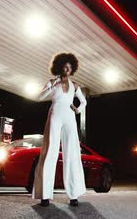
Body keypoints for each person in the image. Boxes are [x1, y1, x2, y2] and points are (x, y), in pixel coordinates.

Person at [32, 52, 87, 207]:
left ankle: (74, 195)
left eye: (70, 67)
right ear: (59, 67)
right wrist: (51, 85)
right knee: (50, 152)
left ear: (72, 69)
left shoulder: (75, 85)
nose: (67, 69)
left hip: (69, 117)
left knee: (72, 153)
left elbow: (83, 102)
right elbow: (40, 97)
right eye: (65, 66)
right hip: (55, 116)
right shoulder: (52, 82)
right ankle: (44, 195)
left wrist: (78, 110)